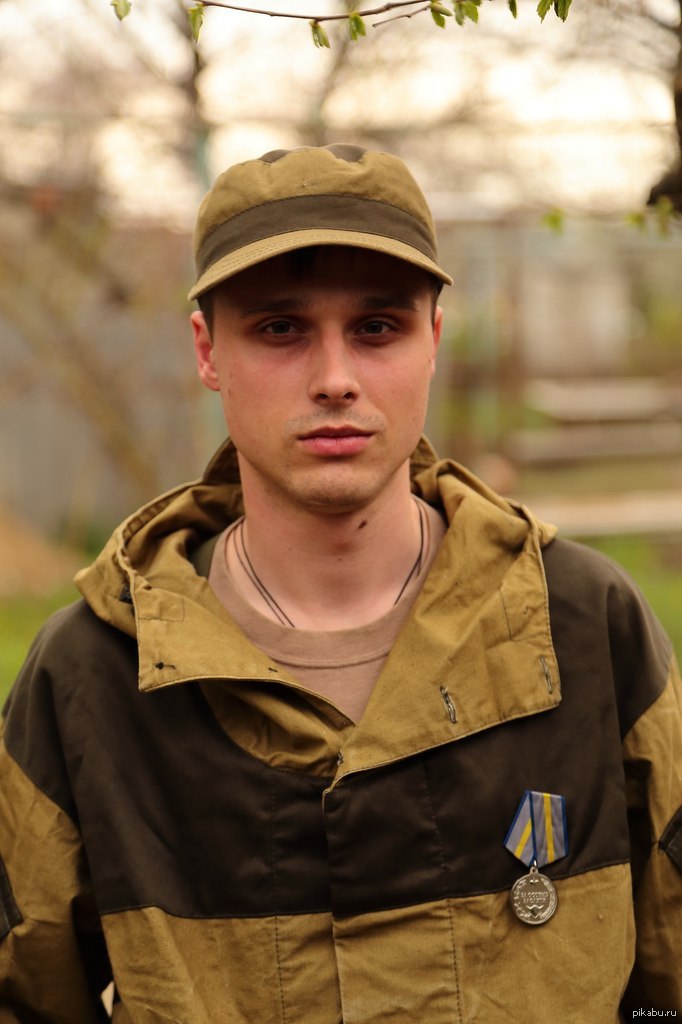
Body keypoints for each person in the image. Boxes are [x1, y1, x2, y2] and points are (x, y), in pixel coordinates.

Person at [0, 144, 680, 1023]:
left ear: (433, 341)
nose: (334, 381)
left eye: (377, 328)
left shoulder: (581, 626)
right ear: (208, 352)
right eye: (280, 329)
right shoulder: (94, 672)